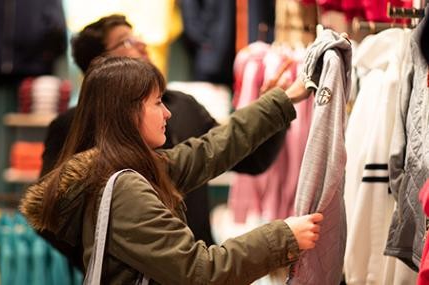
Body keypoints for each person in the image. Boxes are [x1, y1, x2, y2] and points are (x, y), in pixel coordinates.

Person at [21, 55, 323, 284]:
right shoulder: (124, 191)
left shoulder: (130, 169)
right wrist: (283, 236)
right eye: (157, 103)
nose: (167, 112)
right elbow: (199, 271)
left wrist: (279, 102)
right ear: (127, 113)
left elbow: (209, 151)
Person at [40, 14, 286, 248]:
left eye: (138, 37)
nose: (142, 45)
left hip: (195, 258)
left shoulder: (183, 105)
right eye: (127, 41)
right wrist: (104, 256)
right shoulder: (73, 125)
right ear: (102, 64)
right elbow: (52, 213)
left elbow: (251, 159)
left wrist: (274, 107)